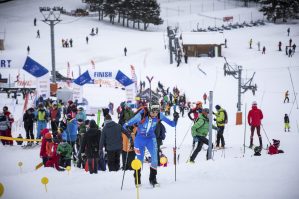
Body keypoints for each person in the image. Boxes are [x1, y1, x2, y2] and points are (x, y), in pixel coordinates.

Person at [123, 100, 179, 186]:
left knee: (155, 159)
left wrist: (176, 118)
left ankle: (153, 179)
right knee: (139, 159)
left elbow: (173, 124)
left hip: (151, 138)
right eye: (153, 112)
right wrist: (129, 130)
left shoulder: (160, 115)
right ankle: (137, 178)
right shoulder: (141, 115)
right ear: (149, 109)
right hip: (140, 139)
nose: (155, 114)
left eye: (157, 111)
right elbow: (125, 125)